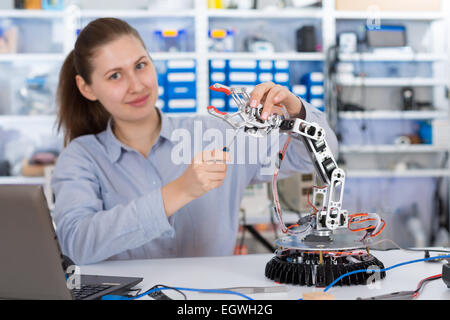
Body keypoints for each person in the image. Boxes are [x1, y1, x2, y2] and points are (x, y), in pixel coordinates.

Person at [51, 17, 338, 265]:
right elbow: (77, 244)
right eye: (115, 75)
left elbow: (318, 157)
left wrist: (297, 111)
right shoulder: (82, 156)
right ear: (86, 88)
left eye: (140, 66)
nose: (137, 85)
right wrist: (179, 191)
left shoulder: (219, 134)